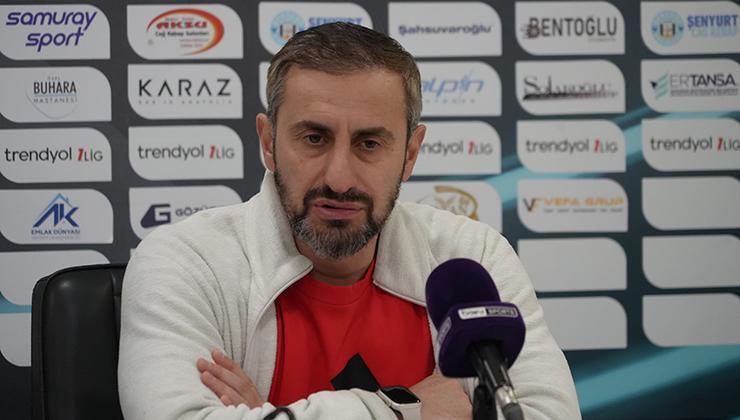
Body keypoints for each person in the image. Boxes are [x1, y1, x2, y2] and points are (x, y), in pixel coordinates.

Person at [118, 22, 580, 420]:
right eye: (314, 138)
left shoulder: (469, 256)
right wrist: (406, 410)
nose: (339, 178)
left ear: (410, 154)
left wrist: (270, 413)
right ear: (269, 142)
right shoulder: (186, 262)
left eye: (369, 144)